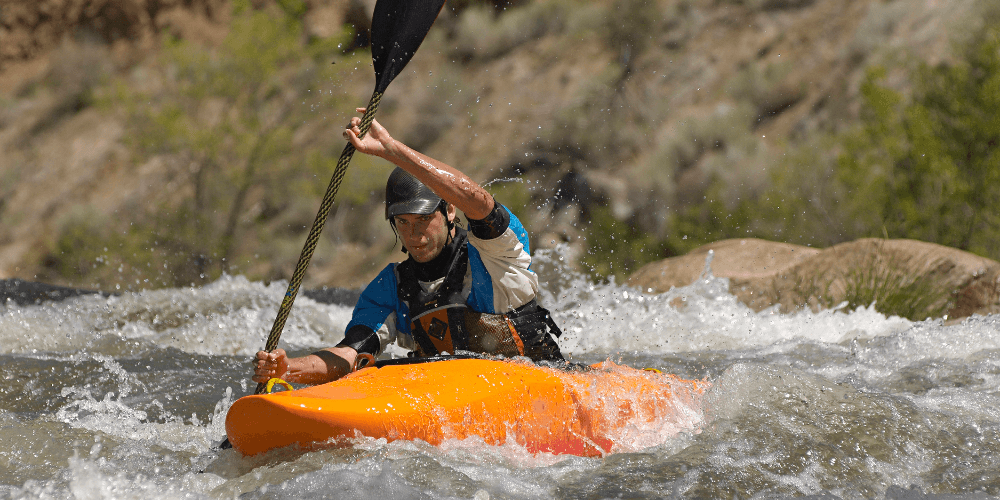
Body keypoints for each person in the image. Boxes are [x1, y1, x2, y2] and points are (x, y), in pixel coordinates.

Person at [252, 109, 564, 386]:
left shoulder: (495, 251)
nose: (414, 234)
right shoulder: (393, 287)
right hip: (455, 402)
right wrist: (289, 369)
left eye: (424, 219)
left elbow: (478, 200)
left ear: (449, 211)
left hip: (539, 385)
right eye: (403, 222)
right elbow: (350, 354)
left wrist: (392, 150)